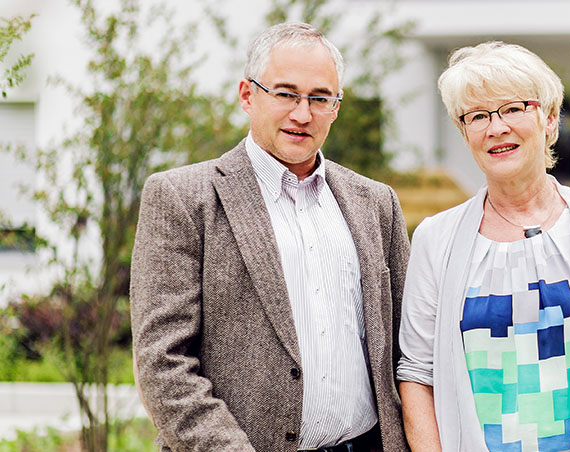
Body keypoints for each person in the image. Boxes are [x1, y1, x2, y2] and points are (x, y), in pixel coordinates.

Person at [130, 22, 409, 452]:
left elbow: (403, 350)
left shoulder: (376, 203)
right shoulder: (183, 198)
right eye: (285, 93)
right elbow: (162, 363)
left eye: (320, 98)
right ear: (247, 95)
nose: (303, 113)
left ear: (336, 107)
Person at [397, 41, 570, 452]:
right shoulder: (436, 238)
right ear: (465, 132)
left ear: (550, 119)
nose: (496, 127)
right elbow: (417, 374)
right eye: (478, 116)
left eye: (512, 108)